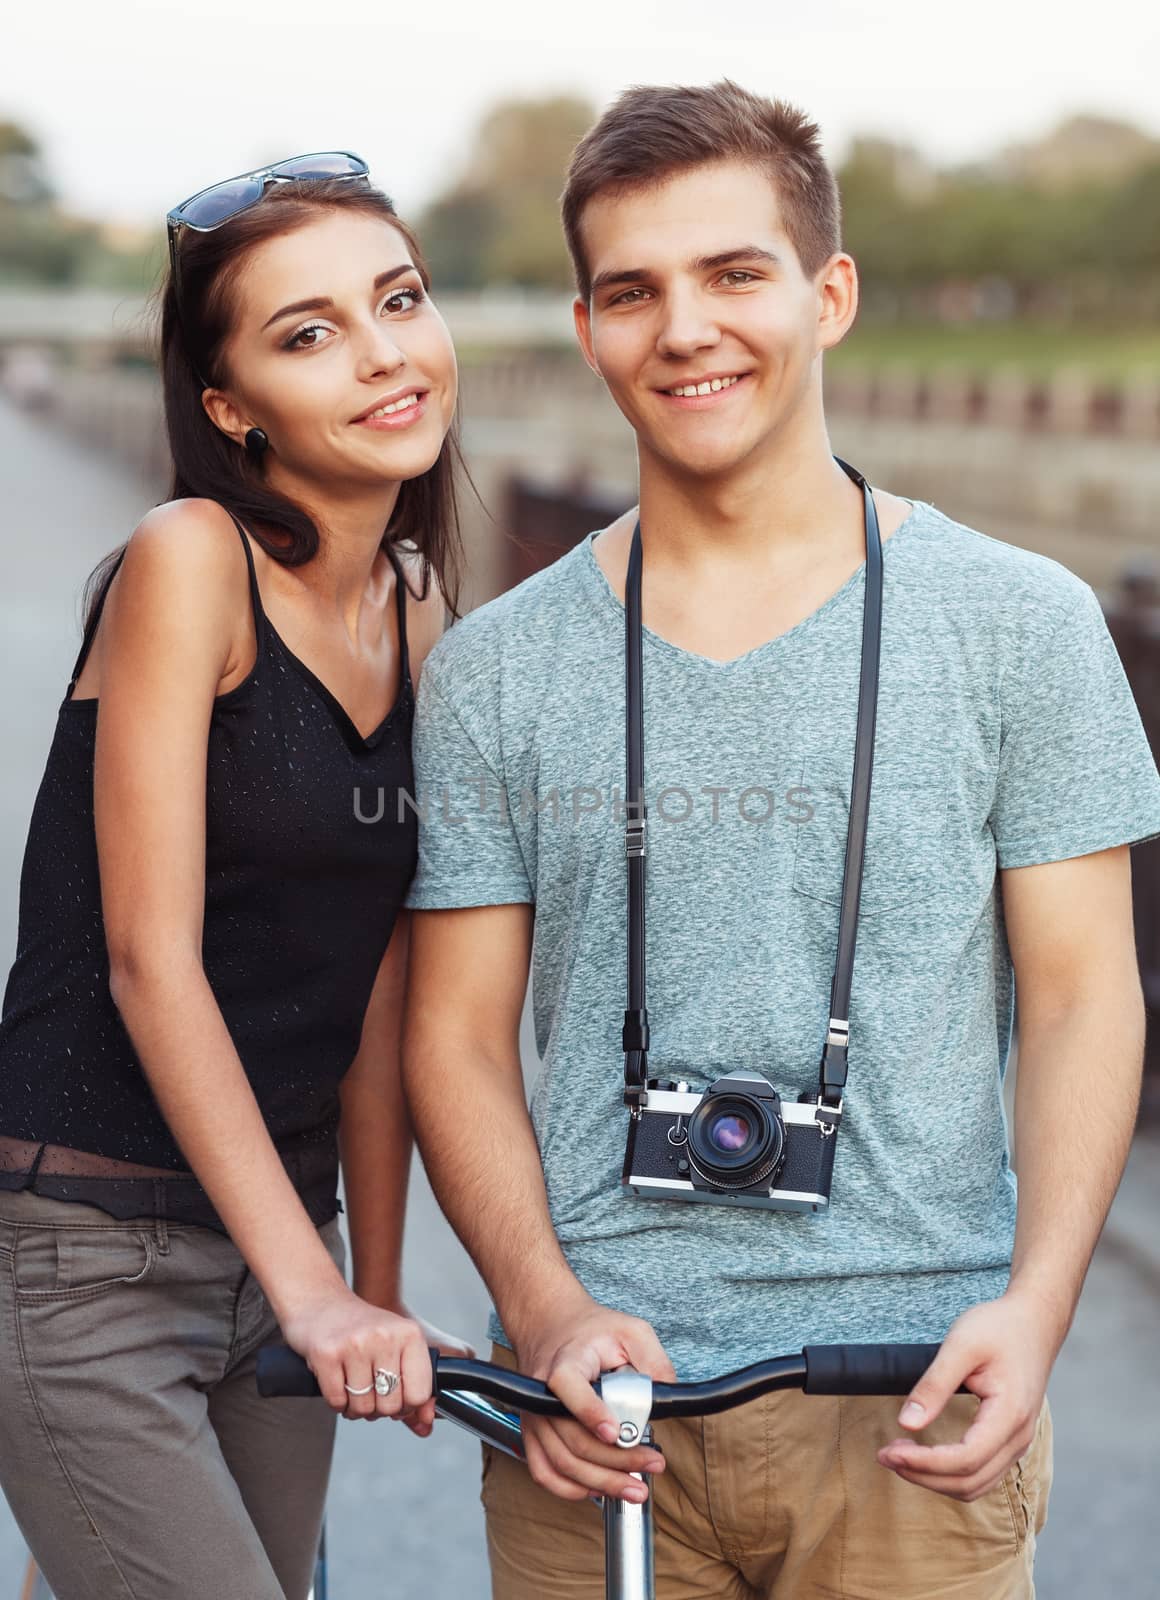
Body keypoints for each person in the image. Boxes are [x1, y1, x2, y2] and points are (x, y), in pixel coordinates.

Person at [401, 81, 1160, 1599]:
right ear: (587, 326)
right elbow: (456, 1035)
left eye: (734, 274)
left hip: (913, 1392)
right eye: (635, 291)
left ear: (831, 294)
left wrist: (1039, 1307)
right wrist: (540, 1313)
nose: (685, 329)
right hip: (591, 1410)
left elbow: (1085, 994)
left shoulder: (1023, 625)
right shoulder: (492, 666)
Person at [0, 154, 470, 1600]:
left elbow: (380, 990)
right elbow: (151, 959)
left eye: (398, 300)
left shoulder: (421, 609)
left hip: (278, 1249)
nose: (383, 352)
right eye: (308, 331)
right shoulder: (187, 560)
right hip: (88, 1251)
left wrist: (366, 1282)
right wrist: (318, 1288)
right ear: (228, 406)